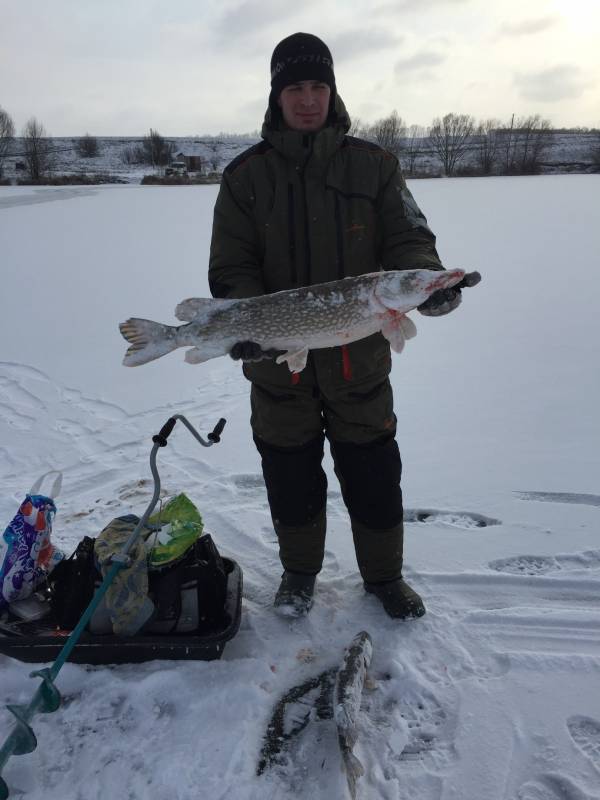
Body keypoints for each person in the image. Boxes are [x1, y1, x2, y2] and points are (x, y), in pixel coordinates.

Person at [208, 33, 461, 620]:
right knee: (290, 471)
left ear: (332, 91)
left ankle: (384, 578)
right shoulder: (245, 177)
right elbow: (232, 265)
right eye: (294, 87)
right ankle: (299, 576)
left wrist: (430, 286)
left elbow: (410, 241)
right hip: (279, 363)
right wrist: (246, 320)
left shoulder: (374, 166)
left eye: (317, 86)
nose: (307, 98)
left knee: (373, 470)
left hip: (360, 359)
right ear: (277, 95)